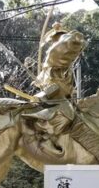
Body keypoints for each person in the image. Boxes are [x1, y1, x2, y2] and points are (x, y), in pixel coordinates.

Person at [21, 24, 85, 154]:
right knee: (67, 114)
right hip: (54, 93)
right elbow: (75, 41)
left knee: (75, 115)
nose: (56, 42)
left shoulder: (59, 61)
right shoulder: (55, 55)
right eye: (57, 39)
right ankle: (45, 137)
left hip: (61, 94)